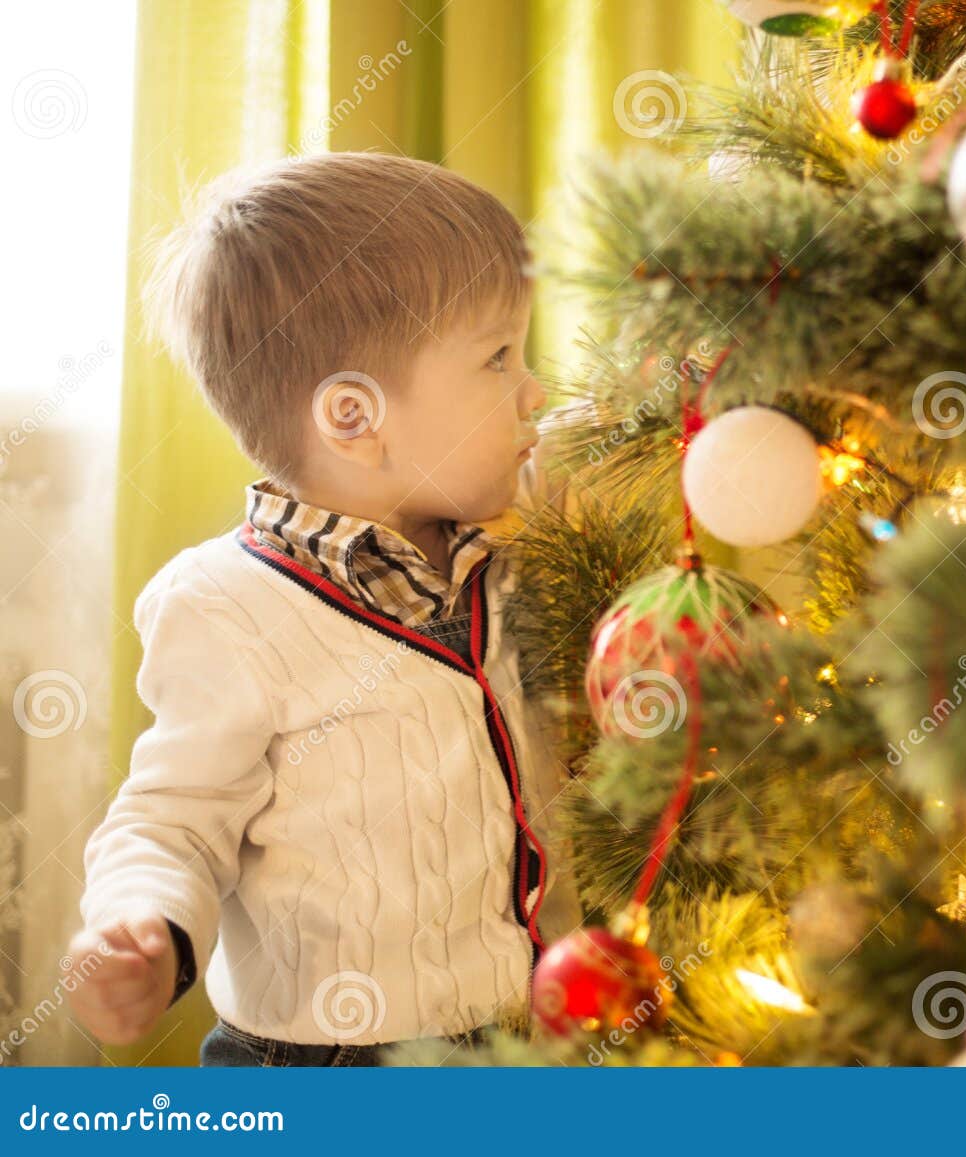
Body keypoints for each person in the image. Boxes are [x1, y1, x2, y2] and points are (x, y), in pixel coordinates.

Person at [62, 151, 580, 1065]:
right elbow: (171, 819)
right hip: (333, 1071)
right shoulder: (226, 607)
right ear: (353, 417)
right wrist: (140, 923)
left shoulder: (496, 537)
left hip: (534, 1038)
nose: (533, 389)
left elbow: (606, 450)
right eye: (499, 359)